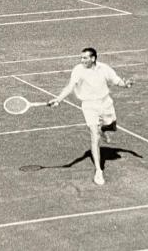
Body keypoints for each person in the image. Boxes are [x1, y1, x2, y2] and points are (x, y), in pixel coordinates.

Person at [49, 47, 133, 185]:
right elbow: (70, 86)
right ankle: (99, 171)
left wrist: (126, 84)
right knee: (94, 135)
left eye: (85, 58)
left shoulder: (104, 68)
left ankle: (103, 130)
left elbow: (117, 80)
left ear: (93, 58)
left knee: (110, 126)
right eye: (81, 58)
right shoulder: (78, 70)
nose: (82, 60)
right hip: (89, 106)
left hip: (105, 103)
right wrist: (58, 99)